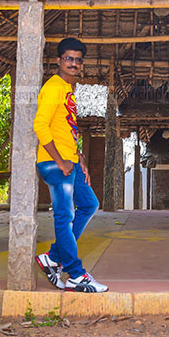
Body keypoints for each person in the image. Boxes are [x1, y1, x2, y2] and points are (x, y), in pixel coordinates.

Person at [34, 37, 108, 293]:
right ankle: (76, 274)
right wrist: (60, 161)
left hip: (71, 163)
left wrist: (82, 160)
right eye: (69, 59)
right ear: (59, 61)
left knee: (89, 204)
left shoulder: (68, 89)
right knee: (64, 217)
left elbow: (69, 130)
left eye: (78, 60)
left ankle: (53, 257)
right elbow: (40, 126)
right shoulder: (53, 87)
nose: (74, 63)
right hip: (55, 165)